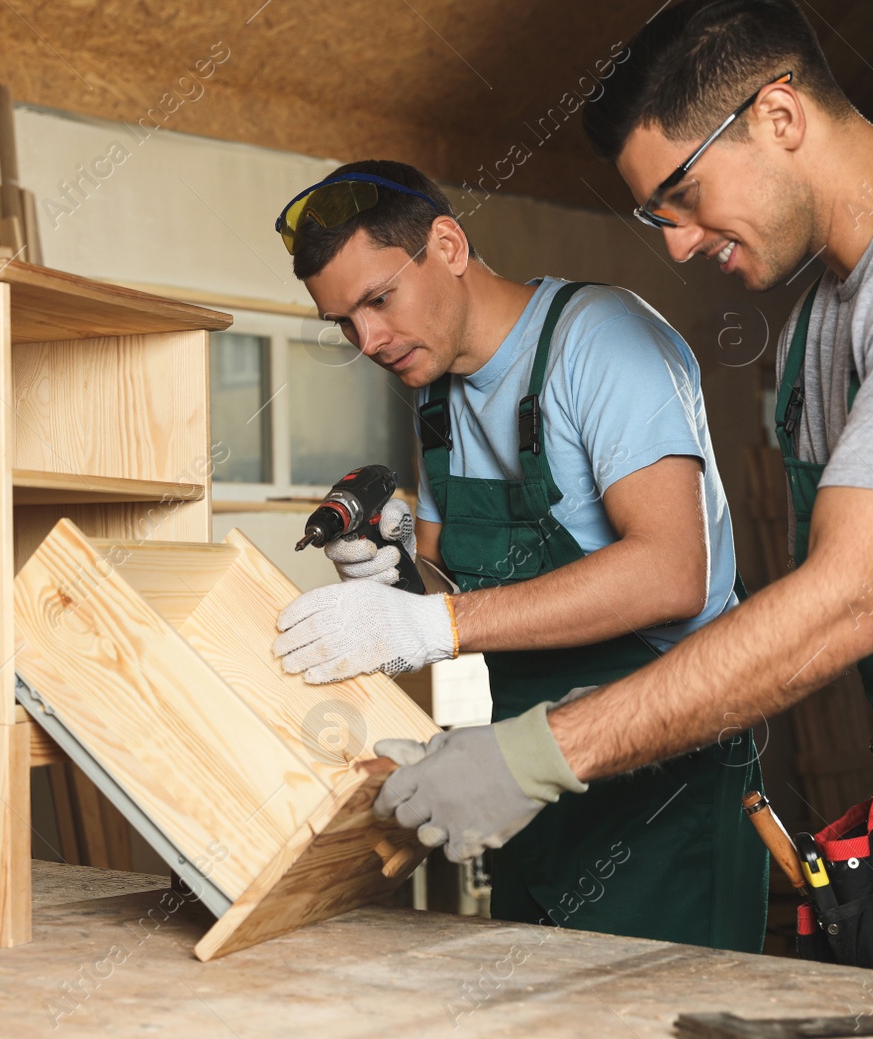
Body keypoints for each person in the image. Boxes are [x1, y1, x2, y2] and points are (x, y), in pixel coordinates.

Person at [371, 0, 873, 975]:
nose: (674, 244)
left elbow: (847, 599)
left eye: (684, 192)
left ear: (780, 117)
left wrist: (537, 753)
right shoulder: (813, 327)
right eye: (653, 215)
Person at [270, 158, 766, 949]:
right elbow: (447, 588)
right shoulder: (435, 394)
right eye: (343, 323)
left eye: (378, 300)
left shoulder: (601, 341)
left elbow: (675, 571)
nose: (367, 340)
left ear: (448, 245)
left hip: (661, 789)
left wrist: (431, 623)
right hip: (516, 782)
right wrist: (395, 575)